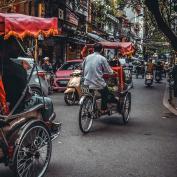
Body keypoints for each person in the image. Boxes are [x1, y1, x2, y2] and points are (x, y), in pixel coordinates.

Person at [83, 43, 117, 113]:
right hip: (97, 83)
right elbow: (109, 71)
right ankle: (103, 109)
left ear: (93, 49)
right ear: (101, 50)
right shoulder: (102, 58)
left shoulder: (87, 57)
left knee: (87, 94)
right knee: (106, 93)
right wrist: (113, 72)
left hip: (85, 83)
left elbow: (83, 67)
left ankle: (87, 107)